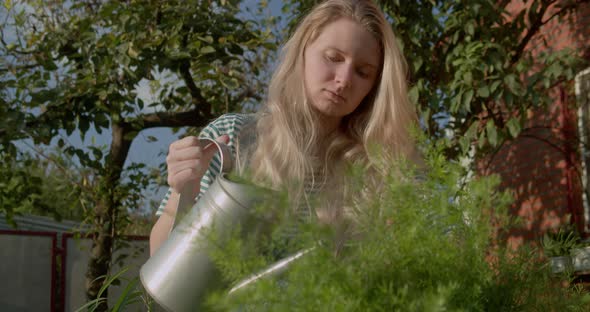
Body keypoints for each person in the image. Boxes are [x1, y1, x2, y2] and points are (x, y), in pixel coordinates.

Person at [150, 0, 419, 255]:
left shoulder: (379, 170)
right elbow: (161, 261)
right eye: (334, 57)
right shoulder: (234, 138)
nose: (345, 79)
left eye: (363, 72)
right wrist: (182, 192)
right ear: (303, 52)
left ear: (374, 87)